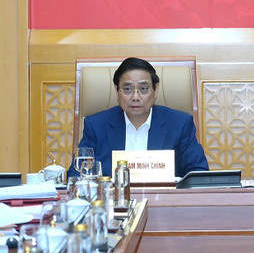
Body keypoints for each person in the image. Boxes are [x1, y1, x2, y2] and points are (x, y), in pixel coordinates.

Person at [68, 57, 209, 178]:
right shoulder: (96, 126)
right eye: (128, 89)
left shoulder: (180, 124)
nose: (135, 97)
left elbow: (198, 173)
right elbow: (76, 175)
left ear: (156, 90)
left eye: (143, 89)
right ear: (117, 91)